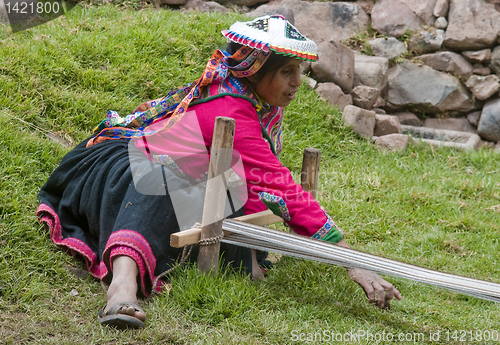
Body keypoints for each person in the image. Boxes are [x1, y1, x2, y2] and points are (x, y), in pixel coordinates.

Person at [37, 15, 401, 329]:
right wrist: (353, 263)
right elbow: (279, 184)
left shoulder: (256, 103)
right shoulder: (231, 108)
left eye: (299, 72)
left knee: (215, 188)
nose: (296, 82)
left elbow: (258, 184)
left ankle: (233, 261)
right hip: (119, 166)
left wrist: (254, 255)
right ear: (256, 70)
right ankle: (122, 286)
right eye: (286, 72)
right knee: (158, 180)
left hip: (180, 172)